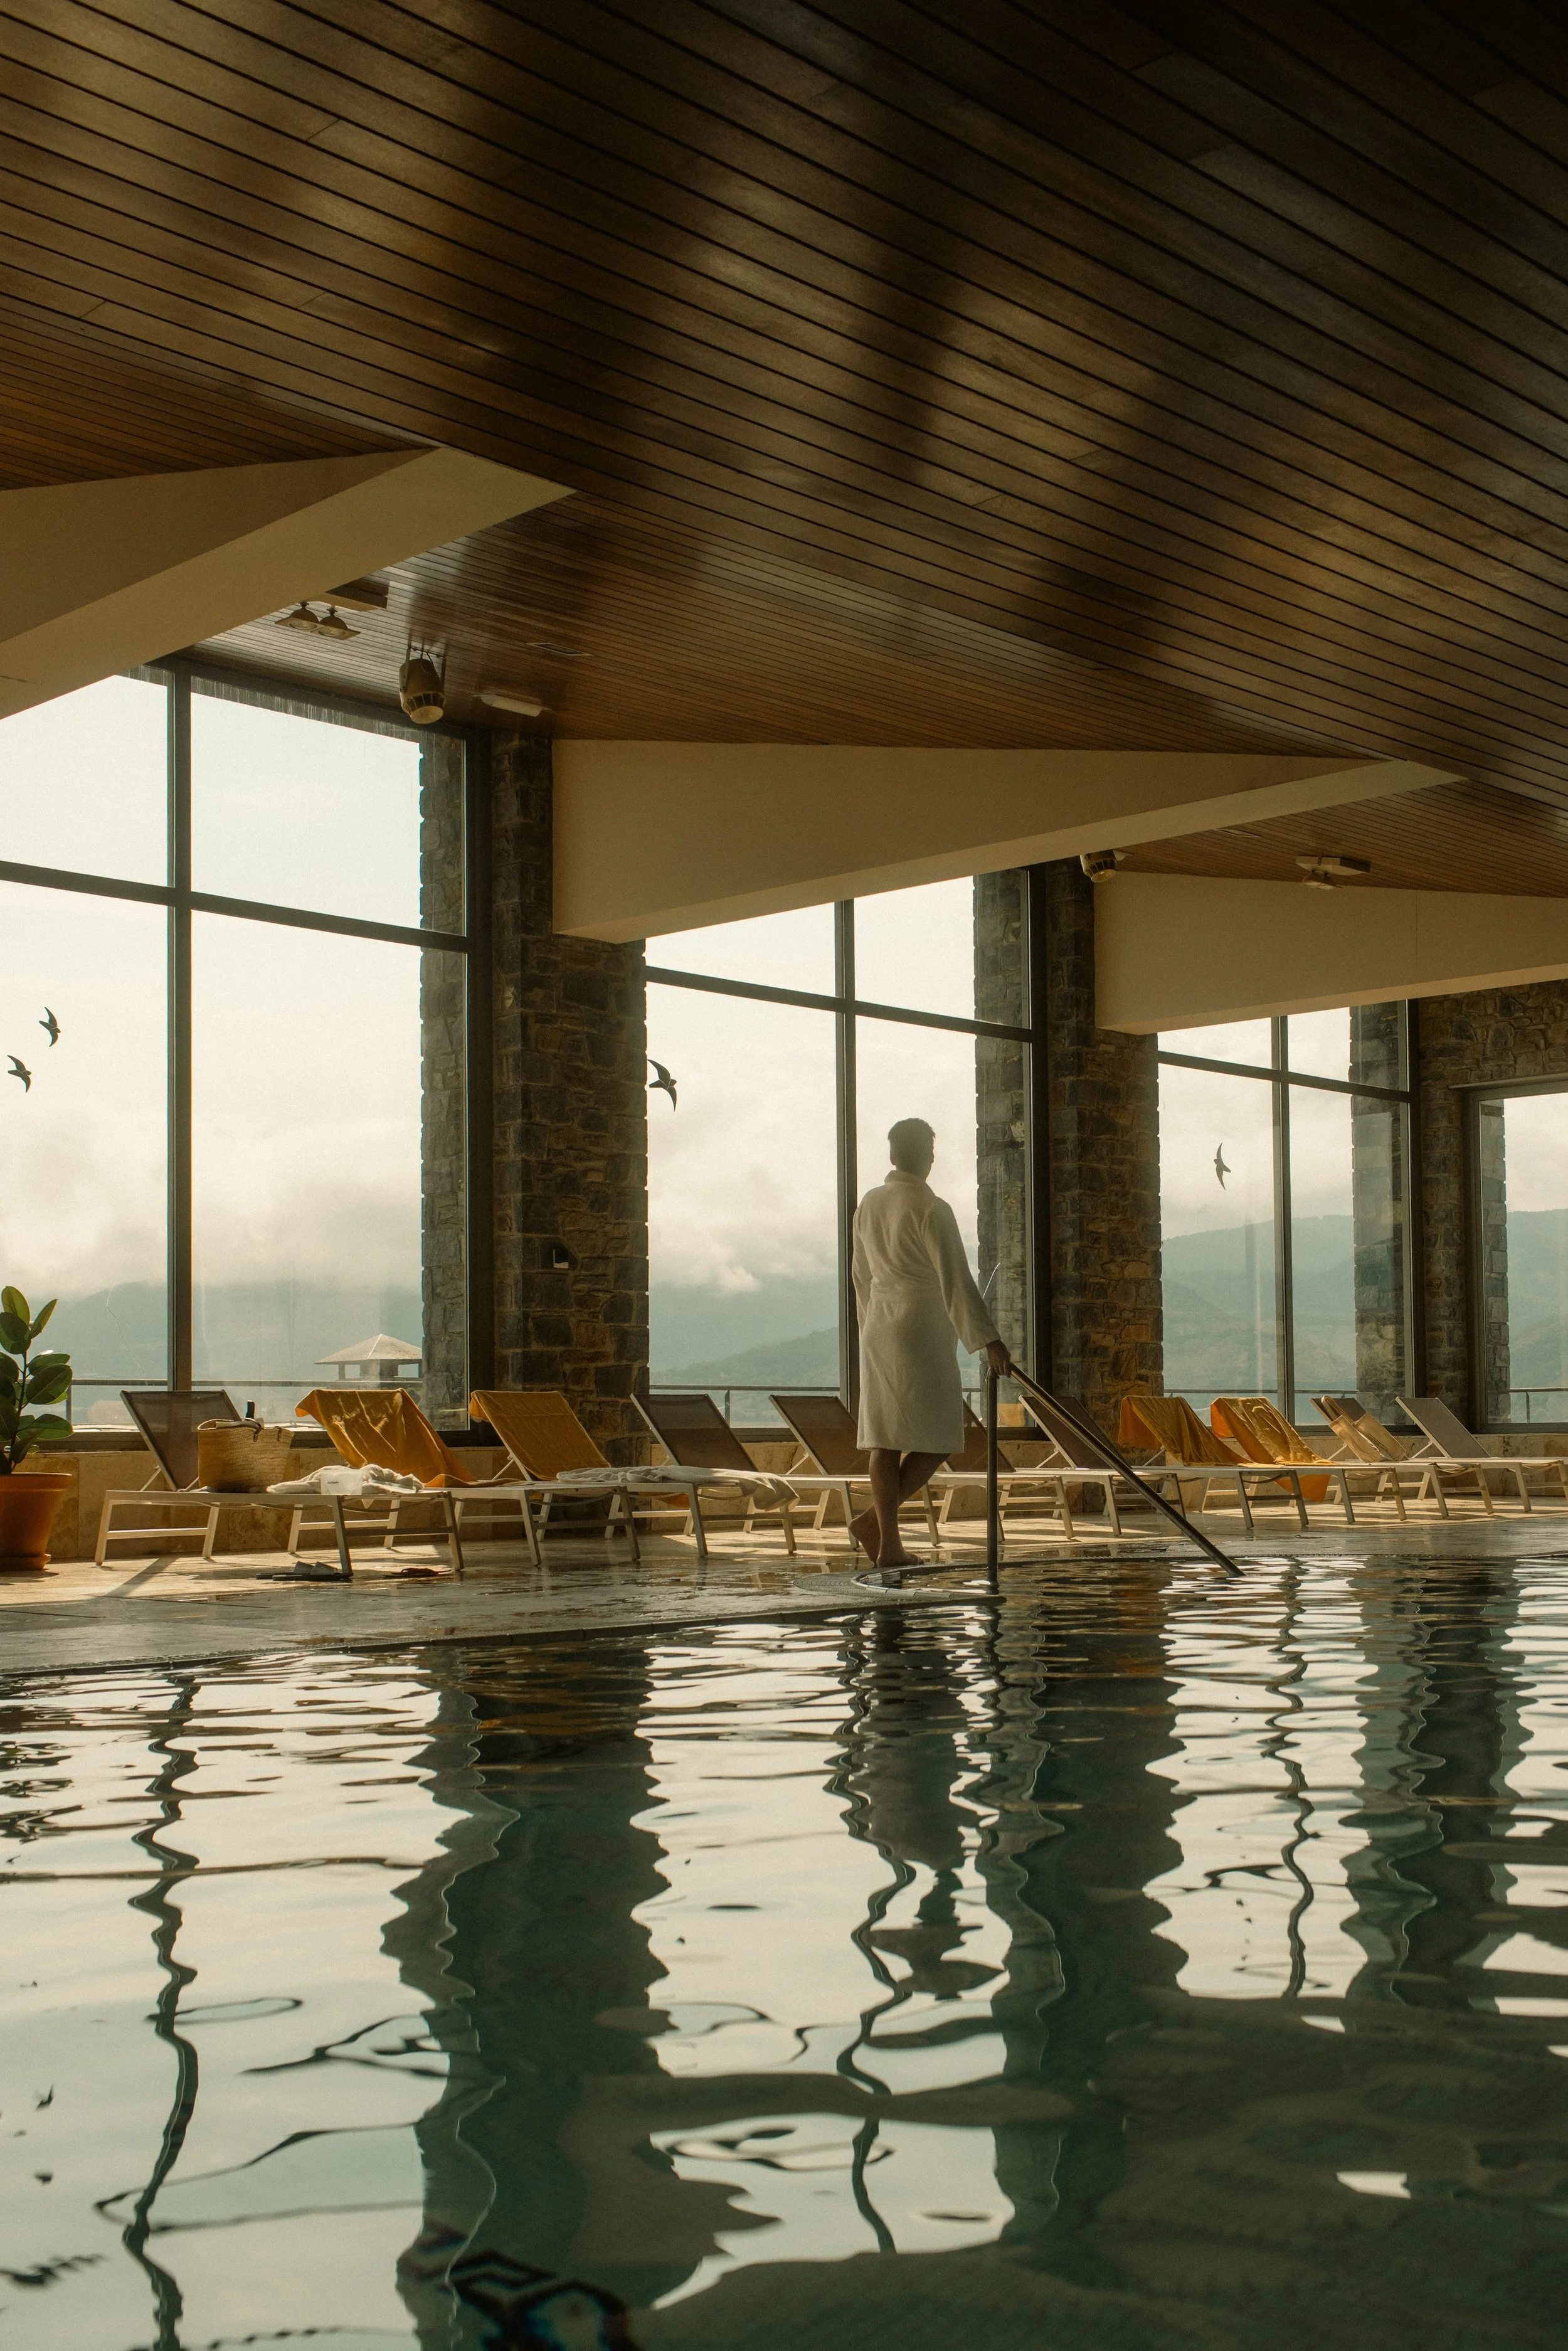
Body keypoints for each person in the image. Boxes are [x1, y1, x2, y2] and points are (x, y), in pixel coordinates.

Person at [850, 1117, 1012, 1583]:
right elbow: (955, 1280)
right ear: (928, 1158)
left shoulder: (870, 1204)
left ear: (892, 1156)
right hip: (920, 1327)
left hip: (880, 1325)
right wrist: (989, 1341)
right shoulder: (931, 1208)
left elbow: (861, 1277)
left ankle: (885, 1539)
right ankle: (879, 1534)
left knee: (884, 1438)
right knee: (941, 1438)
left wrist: (869, 1326)